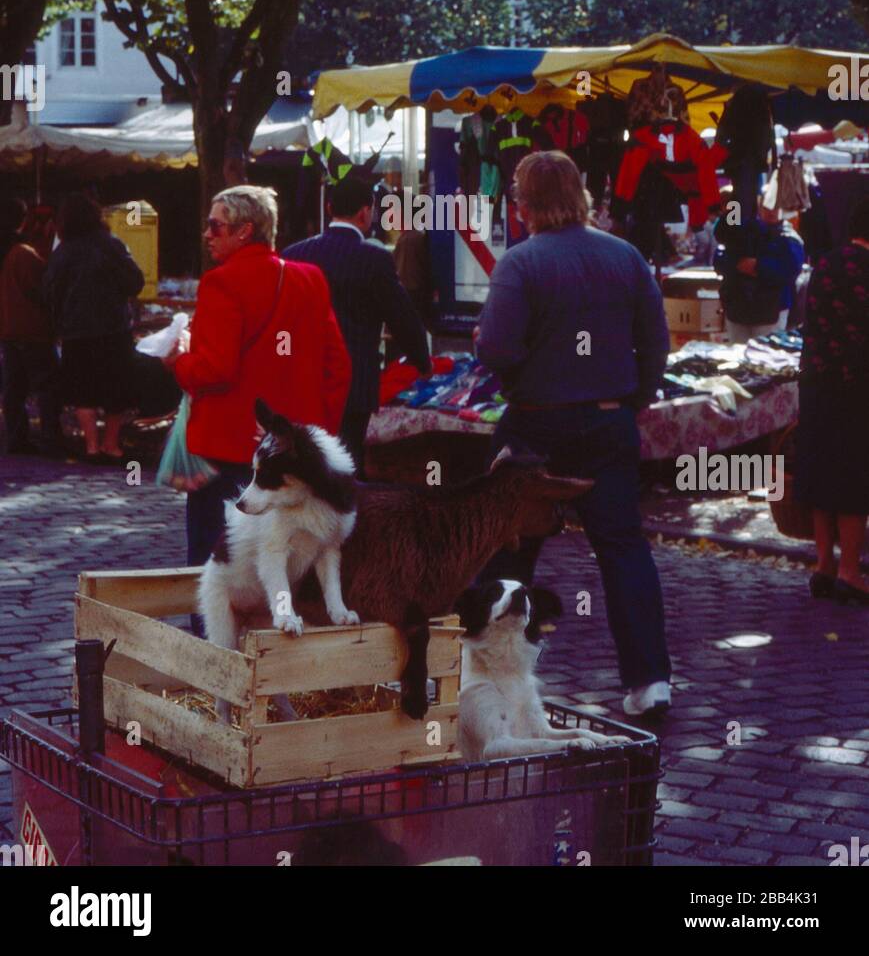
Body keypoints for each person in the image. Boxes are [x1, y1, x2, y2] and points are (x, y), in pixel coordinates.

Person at [475, 150, 672, 720]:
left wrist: (518, 374)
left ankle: (493, 675)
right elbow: (655, 340)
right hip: (608, 421)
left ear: (528, 202)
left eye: (516, 194)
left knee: (509, 549)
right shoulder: (625, 255)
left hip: (536, 422)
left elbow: (497, 348)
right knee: (624, 549)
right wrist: (632, 398)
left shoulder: (521, 263)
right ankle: (650, 680)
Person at [168, 185, 351, 578]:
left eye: (215, 226)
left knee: (215, 565)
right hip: (291, 458)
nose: (207, 234)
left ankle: (211, 641)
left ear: (244, 231)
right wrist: (314, 438)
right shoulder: (310, 279)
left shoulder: (221, 283)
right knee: (284, 561)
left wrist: (178, 361)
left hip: (226, 451)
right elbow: (338, 369)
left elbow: (215, 370)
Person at [283, 175, 431, 475]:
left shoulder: (293, 255)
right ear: (366, 211)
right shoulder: (374, 258)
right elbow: (401, 317)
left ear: (328, 207)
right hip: (355, 381)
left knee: (303, 463)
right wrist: (422, 362)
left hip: (303, 378)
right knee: (347, 464)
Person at [795, 197, 869, 605]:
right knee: (854, 478)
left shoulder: (824, 264)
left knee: (821, 474)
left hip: (817, 383)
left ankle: (824, 565)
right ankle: (850, 572)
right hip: (856, 387)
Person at [43, 193, 144, 463]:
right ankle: (112, 445)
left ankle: (91, 446)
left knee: (82, 390)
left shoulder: (62, 252)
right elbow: (135, 282)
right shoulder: (112, 245)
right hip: (114, 329)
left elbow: (50, 292)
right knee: (115, 389)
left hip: (76, 332)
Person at [0, 197, 63, 456]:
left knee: (14, 388)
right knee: (47, 387)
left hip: (8, 327)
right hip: (31, 328)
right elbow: (42, 291)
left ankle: (16, 439)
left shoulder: (14, 250)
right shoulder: (22, 254)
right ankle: (50, 439)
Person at [714, 200, 805, 341]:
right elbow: (720, 257)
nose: (771, 211)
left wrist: (759, 267)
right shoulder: (740, 230)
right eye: (767, 206)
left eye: (775, 206)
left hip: (771, 312)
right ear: (759, 207)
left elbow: (790, 270)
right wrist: (737, 264)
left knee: (767, 356)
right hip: (738, 310)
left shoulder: (789, 238)